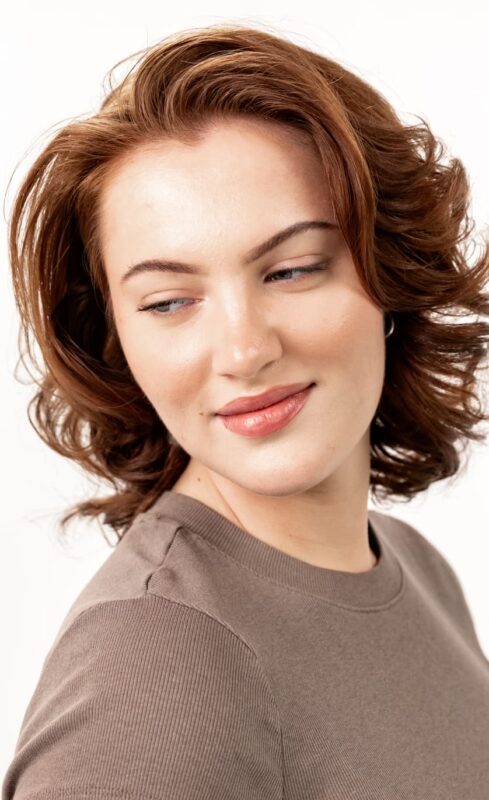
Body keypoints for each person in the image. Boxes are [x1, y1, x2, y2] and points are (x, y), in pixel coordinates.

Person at [3, 22, 489, 800]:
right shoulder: (155, 661)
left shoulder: (416, 572)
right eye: (167, 301)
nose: (242, 349)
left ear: (388, 271)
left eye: (292, 269)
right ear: (115, 339)